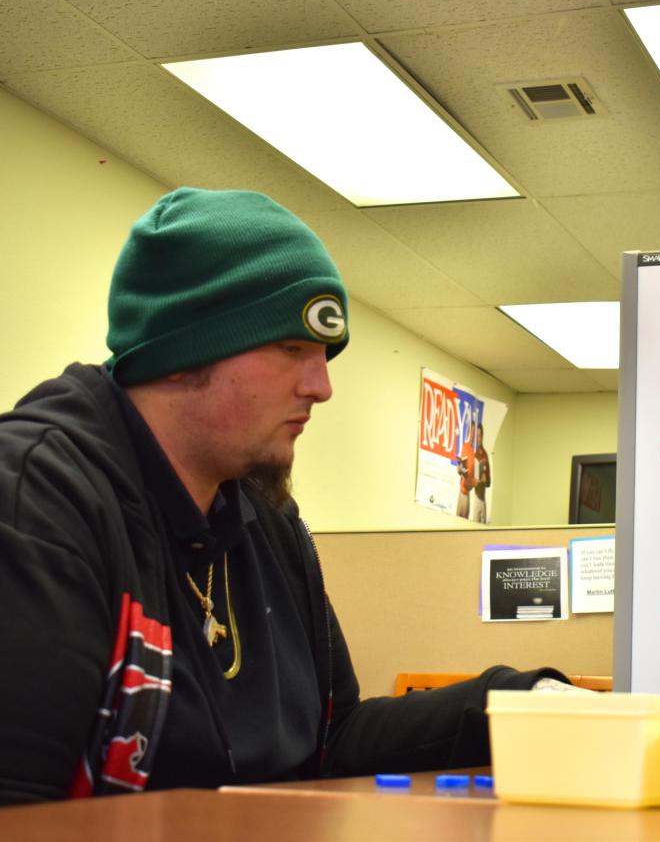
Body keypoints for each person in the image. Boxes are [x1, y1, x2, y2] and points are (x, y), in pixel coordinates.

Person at [0, 188, 568, 806]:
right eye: (291, 350)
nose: (321, 387)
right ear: (180, 354)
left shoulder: (265, 519)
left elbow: (336, 737)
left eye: (323, 355)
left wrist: (516, 703)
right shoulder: (35, 500)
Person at [470, 423, 491, 524]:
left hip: (483, 500)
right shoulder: (473, 454)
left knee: (483, 531)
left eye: (479, 435)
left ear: (482, 436)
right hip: (476, 498)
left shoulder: (485, 455)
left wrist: (485, 479)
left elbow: (488, 483)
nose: (478, 438)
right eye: (476, 436)